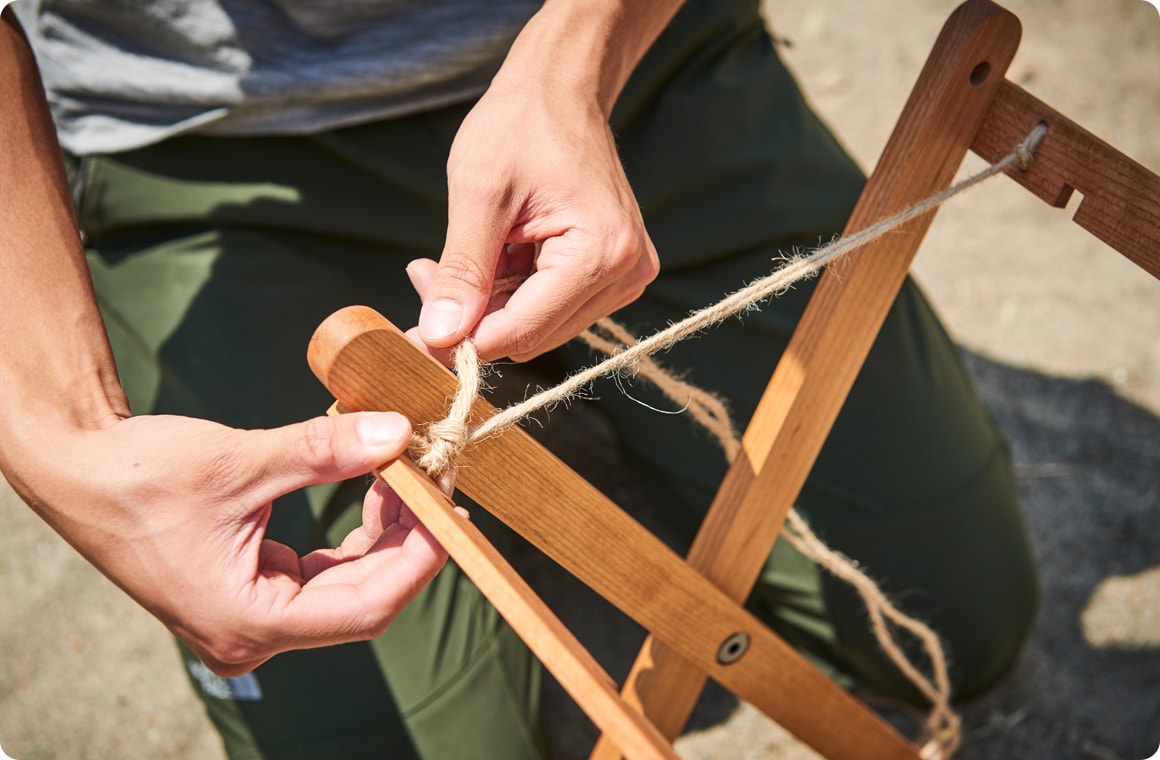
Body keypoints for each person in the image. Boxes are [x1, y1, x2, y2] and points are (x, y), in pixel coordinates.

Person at [0, 0, 1040, 757]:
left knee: (952, 623)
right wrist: (63, 443)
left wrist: (572, 60)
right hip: (199, 154)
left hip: (626, 63)